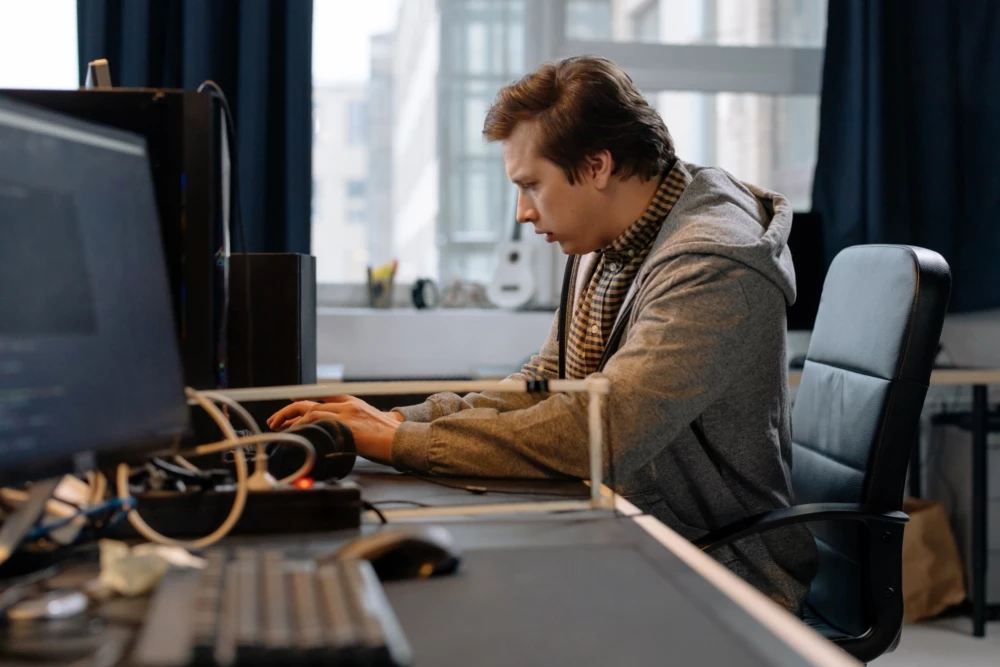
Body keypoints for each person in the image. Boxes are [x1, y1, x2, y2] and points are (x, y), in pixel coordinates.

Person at [268, 56, 818, 613]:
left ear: (597, 165)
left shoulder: (713, 264)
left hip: (719, 569)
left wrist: (399, 444)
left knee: (462, 611)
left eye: (532, 185)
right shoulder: (609, 241)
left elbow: (602, 428)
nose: (523, 212)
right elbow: (544, 384)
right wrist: (399, 421)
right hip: (633, 527)